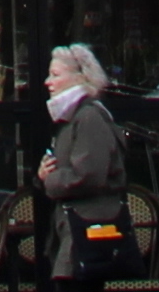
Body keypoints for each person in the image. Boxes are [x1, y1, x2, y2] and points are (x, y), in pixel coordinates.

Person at [35, 43, 129, 283]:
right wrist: (44, 174)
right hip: (74, 231)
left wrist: (51, 179)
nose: (48, 82)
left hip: (86, 232)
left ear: (80, 79)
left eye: (55, 75)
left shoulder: (88, 118)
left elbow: (88, 176)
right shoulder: (73, 118)